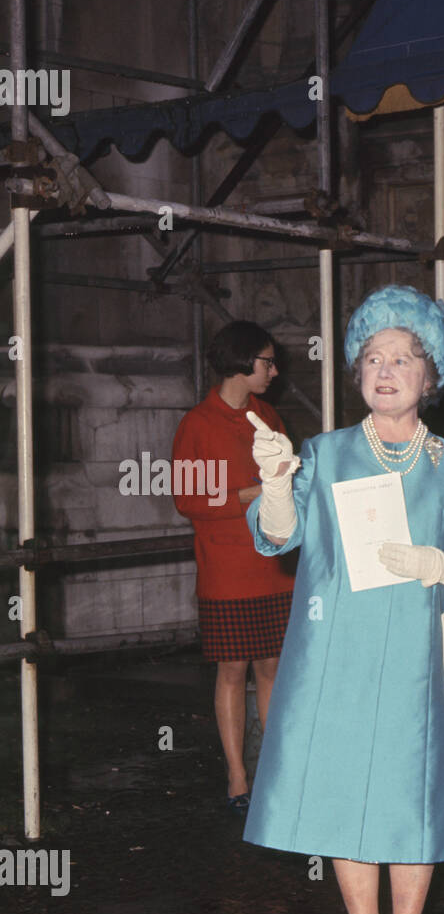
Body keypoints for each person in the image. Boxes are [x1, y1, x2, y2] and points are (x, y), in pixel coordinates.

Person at [243, 286, 444, 914]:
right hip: (337, 656)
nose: (386, 370)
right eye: (372, 358)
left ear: (432, 376)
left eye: (403, 358)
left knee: (411, 803)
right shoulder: (324, 454)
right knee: (345, 805)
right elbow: (276, 535)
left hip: (420, 666)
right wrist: (274, 482)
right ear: (357, 374)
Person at [171, 322, 296, 813]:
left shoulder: (268, 416)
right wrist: (246, 494)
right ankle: (237, 777)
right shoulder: (197, 424)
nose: (273, 370)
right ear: (242, 364)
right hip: (225, 567)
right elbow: (187, 499)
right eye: (267, 361)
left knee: (273, 667)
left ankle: (276, 770)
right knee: (232, 670)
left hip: (273, 564)